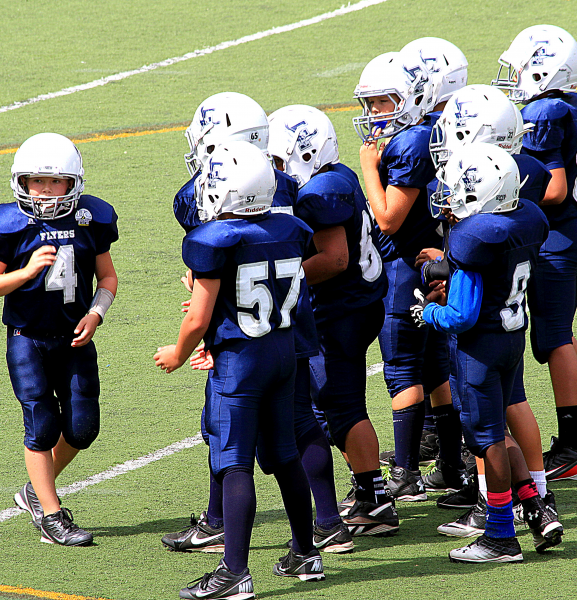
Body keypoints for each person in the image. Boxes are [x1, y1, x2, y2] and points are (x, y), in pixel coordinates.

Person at [163, 92, 354, 556]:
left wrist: (191, 342)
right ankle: (319, 533)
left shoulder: (210, 210)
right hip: (288, 331)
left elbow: (205, 288)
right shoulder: (286, 193)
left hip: (241, 344)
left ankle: (228, 549)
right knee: (294, 434)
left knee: (230, 447)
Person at [155, 141, 325, 599]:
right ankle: (306, 553)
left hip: (241, 362)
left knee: (233, 463)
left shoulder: (214, 239)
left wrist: (178, 352)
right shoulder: (291, 228)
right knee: (285, 455)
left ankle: (234, 573)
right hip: (283, 351)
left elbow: (198, 317)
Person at [411, 144, 561, 563]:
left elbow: (461, 315)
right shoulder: (524, 220)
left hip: (480, 351)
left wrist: (428, 312)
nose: (447, 199)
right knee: (498, 432)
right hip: (511, 340)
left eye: (456, 190)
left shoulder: (474, 238)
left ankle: (499, 536)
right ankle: (535, 506)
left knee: (486, 439)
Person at [0, 132, 119, 547]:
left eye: (56, 181)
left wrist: (96, 313)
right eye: (37, 180)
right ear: (22, 181)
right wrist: (25, 272)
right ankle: (52, 516)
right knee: (41, 426)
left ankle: (35, 491)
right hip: (29, 339)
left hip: (74, 339)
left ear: (74, 183)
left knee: (83, 429)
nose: (46, 190)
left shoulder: (91, 219)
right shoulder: (11, 226)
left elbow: (108, 279)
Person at [492, 24, 577, 480]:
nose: (513, 77)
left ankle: (571, 448)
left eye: (521, 69)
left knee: (552, 341)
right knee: (561, 333)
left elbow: (554, 189)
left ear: (544, 71)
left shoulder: (544, 112)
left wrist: (507, 198)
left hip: (560, 236)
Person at [268, 104, 397, 537]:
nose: (275, 169)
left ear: (305, 153)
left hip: (343, 310)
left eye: (279, 159)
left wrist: (281, 279)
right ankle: (368, 490)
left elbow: (336, 258)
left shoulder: (319, 192)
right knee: (336, 405)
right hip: (358, 303)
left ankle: (374, 501)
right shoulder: (336, 175)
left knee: (342, 407)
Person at [354, 52, 457, 502]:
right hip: (422, 261)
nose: (375, 112)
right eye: (371, 103)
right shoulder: (425, 132)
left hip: (402, 268)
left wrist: (368, 168)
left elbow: (389, 217)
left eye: (384, 101)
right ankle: (451, 466)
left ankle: (406, 472)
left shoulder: (411, 142)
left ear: (413, 98)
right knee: (434, 369)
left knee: (402, 370)